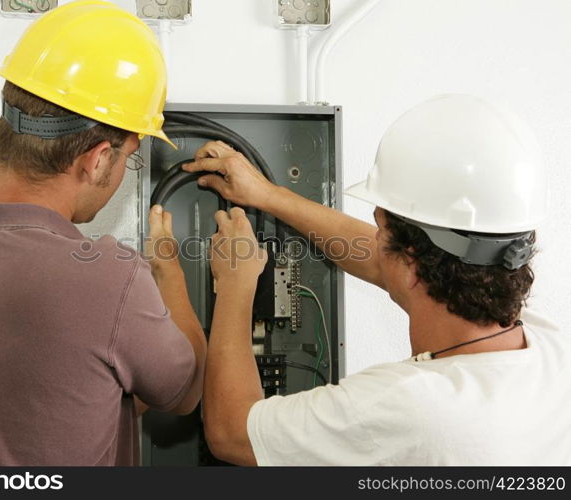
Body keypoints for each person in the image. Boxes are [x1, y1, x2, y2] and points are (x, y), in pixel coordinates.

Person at [0, 1, 206, 466]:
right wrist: (168, 267)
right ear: (98, 158)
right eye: (128, 159)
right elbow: (185, 390)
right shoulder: (108, 279)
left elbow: (53, 407)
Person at [186, 94, 571, 465]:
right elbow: (391, 261)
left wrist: (235, 285)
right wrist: (269, 196)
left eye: (380, 228)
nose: (375, 240)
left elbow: (232, 433)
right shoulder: (550, 351)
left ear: (411, 259)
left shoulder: (410, 407)